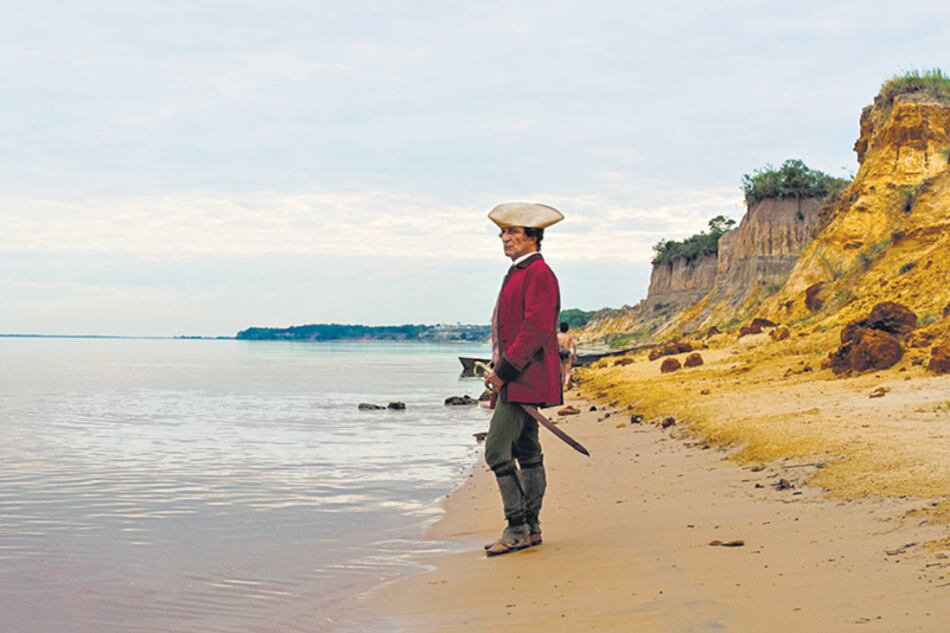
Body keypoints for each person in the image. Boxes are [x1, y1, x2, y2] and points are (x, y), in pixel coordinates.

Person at [481, 201, 563, 557]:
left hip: (523, 378)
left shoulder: (539, 273)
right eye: (504, 232)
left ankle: (517, 528)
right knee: (527, 452)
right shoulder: (518, 271)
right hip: (517, 377)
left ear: (533, 237)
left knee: (497, 451)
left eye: (513, 231)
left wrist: (502, 374)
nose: (505, 238)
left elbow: (535, 330)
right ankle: (531, 529)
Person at [557, 321, 577, 391]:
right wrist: (574, 354)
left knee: (562, 372)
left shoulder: (558, 336)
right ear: (567, 328)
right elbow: (574, 345)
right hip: (567, 353)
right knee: (568, 371)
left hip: (559, 354)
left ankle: (562, 387)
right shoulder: (569, 336)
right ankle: (566, 384)